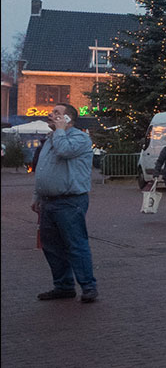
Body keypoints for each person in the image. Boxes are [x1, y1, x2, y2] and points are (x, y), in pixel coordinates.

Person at [32, 103, 98, 303]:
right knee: (51, 247)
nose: (51, 115)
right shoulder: (51, 139)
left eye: (57, 113)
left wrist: (60, 132)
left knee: (75, 244)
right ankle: (63, 286)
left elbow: (65, 152)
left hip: (70, 201)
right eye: (52, 112)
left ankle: (88, 286)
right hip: (49, 202)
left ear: (68, 119)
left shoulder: (79, 138)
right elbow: (43, 169)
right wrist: (37, 196)